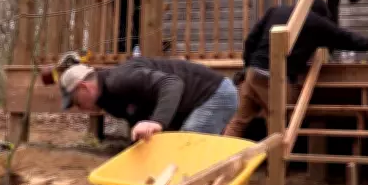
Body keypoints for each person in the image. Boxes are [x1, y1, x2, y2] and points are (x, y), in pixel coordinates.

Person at [222, 0, 368, 139]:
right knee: (282, 121)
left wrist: (248, 65)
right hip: (274, 77)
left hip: (253, 73)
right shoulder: (316, 22)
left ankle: (219, 163)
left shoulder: (276, 11)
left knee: (238, 122)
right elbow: (345, 38)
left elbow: (250, 40)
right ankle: (276, 169)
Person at [58, 56, 238, 141]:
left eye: (76, 101)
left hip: (215, 94)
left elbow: (171, 83)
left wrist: (157, 122)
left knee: (186, 144)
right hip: (192, 105)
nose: (79, 108)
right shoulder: (107, 100)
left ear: (84, 87)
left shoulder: (119, 79)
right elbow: (138, 121)